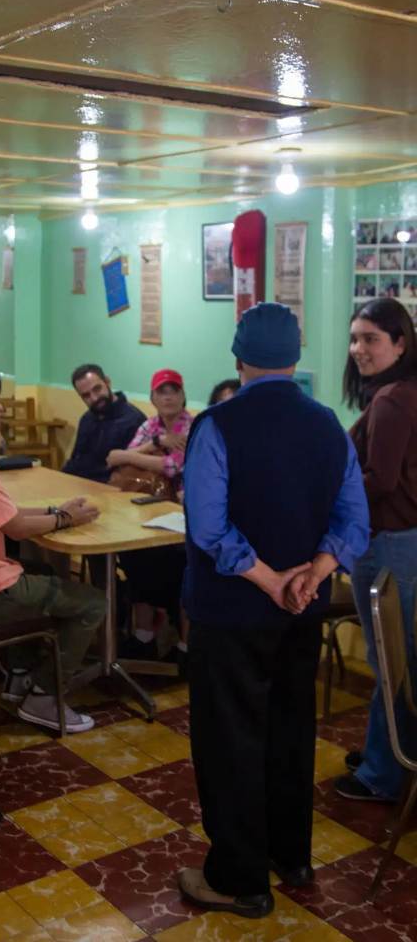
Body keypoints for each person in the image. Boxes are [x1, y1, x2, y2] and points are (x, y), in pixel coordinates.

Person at [176, 303, 369, 918]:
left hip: (230, 614)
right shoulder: (329, 426)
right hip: (302, 613)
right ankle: (293, 855)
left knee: (230, 738)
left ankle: (239, 879)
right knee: (290, 729)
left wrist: (268, 580)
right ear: (297, 355)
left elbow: (208, 529)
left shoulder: (217, 424)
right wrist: (311, 574)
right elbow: (353, 522)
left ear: (238, 356)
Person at [0, 363, 107, 732]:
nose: (0, 408)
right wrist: (66, 519)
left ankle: (19, 674)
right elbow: (19, 528)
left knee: (43, 572)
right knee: (93, 603)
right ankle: (44, 695)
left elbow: (5, 516)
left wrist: (57, 511)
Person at [336, 297, 417, 804]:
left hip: (388, 544)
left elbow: (379, 481)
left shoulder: (392, 399)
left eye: (371, 339)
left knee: (391, 662)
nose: (358, 349)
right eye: (355, 338)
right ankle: (384, 751)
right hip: (403, 543)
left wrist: (330, 491)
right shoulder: (398, 393)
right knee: (401, 658)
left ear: (401, 343)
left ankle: (382, 774)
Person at [109, 369, 193, 663]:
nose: (168, 397)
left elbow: (172, 468)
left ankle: (184, 648)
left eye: (174, 391)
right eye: (162, 391)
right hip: (151, 509)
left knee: (181, 567)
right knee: (134, 556)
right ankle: (144, 636)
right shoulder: (151, 426)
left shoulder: (191, 427)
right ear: (152, 397)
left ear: (183, 396)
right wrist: (157, 444)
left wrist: (145, 454)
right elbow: (114, 458)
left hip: (183, 513)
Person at [62, 363, 146, 484]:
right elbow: (76, 461)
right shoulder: (86, 419)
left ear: (107, 382)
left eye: (97, 389)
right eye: (86, 396)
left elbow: (130, 473)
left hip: (113, 491)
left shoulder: (134, 420)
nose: (94, 398)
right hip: (80, 486)